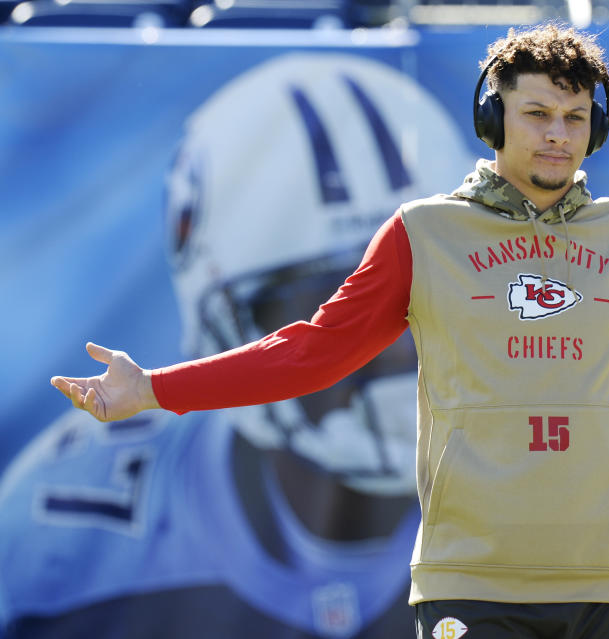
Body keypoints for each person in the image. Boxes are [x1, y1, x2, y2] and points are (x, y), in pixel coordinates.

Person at [51, 24, 609, 639]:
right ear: (491, 117)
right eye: (536, 113)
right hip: (474, 574)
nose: (556, 134)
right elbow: (312, 353)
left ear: (595, 129)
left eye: (575, 117)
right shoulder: (424, 232)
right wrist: (155, 386)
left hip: (606, 574)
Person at [2, 54, 473, 638]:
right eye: (325, 304)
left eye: (428, 288)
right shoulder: (68, 517)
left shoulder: (599, 435)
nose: (399, 349)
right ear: (223, 323)